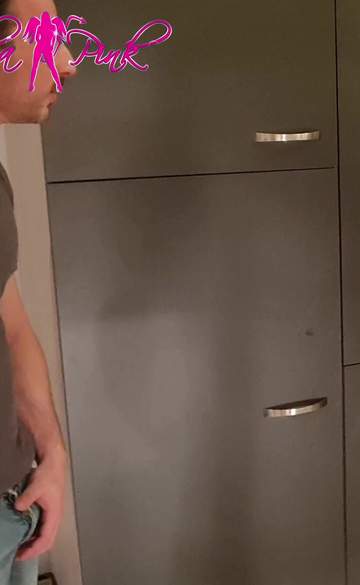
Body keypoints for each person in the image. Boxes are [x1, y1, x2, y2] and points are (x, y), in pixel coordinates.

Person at [0, 0, 76, 583]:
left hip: (13, 504)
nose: (68, 62)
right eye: (47, 37)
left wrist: (51, 453)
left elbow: (13, 323)